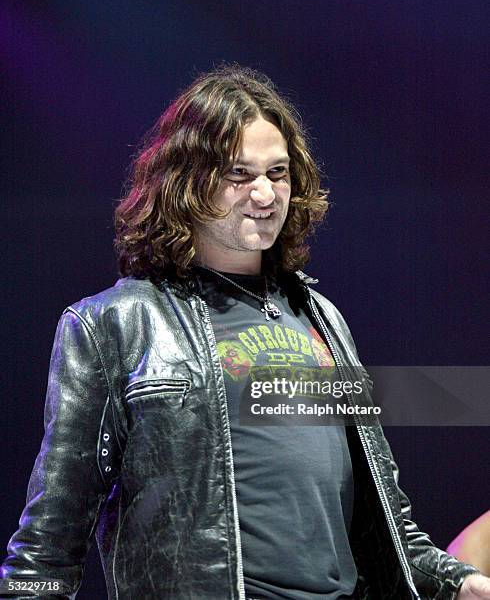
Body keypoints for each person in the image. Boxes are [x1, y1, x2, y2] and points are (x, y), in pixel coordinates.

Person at [1, 65, 489, 600]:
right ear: (186, 182)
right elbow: (46, 547)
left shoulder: (323, 318)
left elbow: (387, 522)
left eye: (277, 174)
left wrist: (460, 583)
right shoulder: (114, 324)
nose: (265, 194)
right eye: (239, 174)